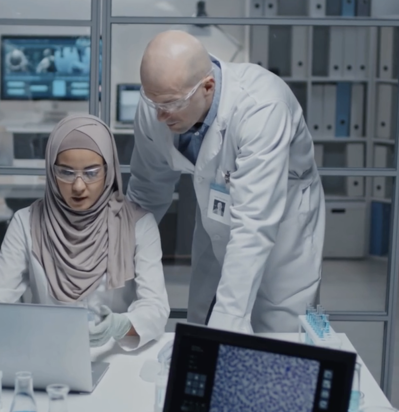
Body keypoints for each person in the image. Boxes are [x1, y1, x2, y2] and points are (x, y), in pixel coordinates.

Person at [127, 30, 325, 334]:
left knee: (279, 337)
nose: (159, 116)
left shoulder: (262, 107)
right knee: (203, 319)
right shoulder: (157, 104)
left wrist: (228, 324)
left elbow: (253, 226)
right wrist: (119, 259)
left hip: (281, 225)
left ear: (208, 87)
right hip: (215, 213)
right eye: (153, 102)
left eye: (170, 104)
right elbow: (146, 191)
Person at [0, 115, 169, 350]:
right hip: (45, 350)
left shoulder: (138, 225)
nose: (78, 186)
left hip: (111, 352)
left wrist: (120, 325)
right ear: (51, 170)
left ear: (108, 170)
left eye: (91, 173)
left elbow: (155, 306)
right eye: (66, 173)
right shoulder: (26, 222)